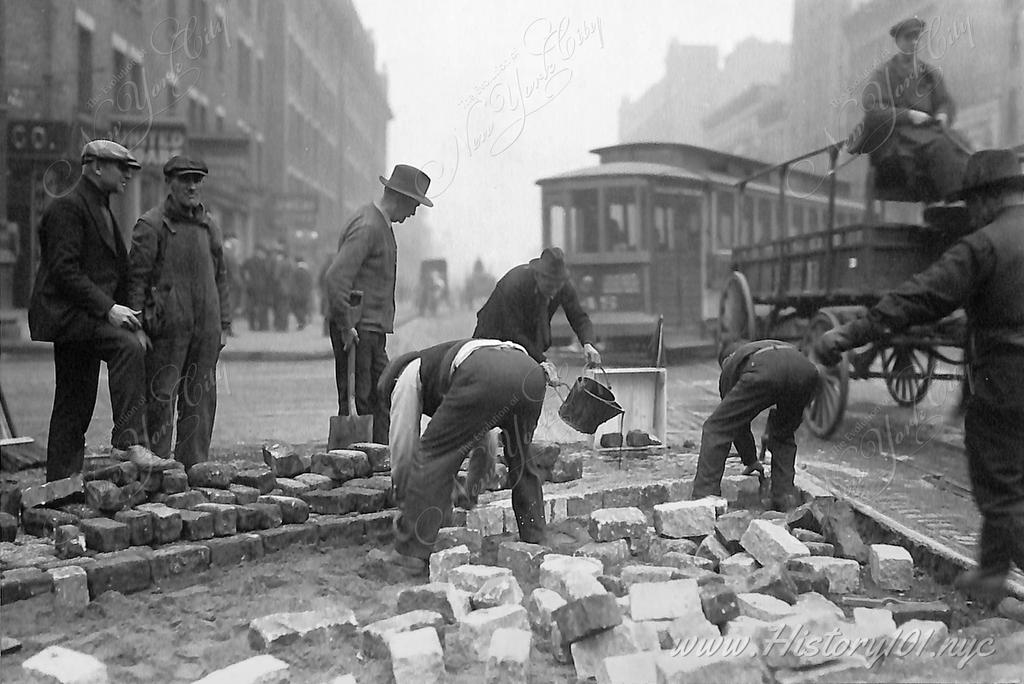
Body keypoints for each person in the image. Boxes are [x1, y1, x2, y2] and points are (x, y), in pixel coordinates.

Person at [815, 148, 1024, 602]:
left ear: (985, 200)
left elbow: (918, 298)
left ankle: (996, 573)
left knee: (1002, 483)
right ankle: (990, 572)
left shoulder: (984, 245)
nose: (969, 214)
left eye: (970, 205)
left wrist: (850, 333)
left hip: (1006, 382)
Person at [28, 140, 149, 481]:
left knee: (74, 402)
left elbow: (119, 273)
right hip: (69, 317)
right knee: (124, 349)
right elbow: (64, 271)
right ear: (96, 166)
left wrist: (136, 319)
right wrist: (110, 309)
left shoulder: (101, 208)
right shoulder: (67, 208)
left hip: (85, 318)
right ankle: (127, 441)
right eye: (120, 167)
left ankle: (62, 484)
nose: (127, 174)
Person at [373, 338, 548, 573]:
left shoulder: (406, 377)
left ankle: (410, 553)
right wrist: (471, 490)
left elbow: (404, 449)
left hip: (485, 374)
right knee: (521, 459)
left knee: (432, 456)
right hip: (530, 373)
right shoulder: (456, 366)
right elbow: (485, 432)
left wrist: (407, 504)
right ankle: (534, 535)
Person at [127, 155, 230, 468]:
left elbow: (221, 277)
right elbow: (136, 281)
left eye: (197, 180)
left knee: (199, 404)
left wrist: (224, 323)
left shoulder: (208, 226)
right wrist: (137, 326)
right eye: (185, 180)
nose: (192, 186)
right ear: (169, 183)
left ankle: (194, 470)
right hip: (166, 332)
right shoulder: (151, 225)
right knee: (160, 401)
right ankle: (158, 472)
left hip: (206, 332)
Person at [325, 164, 433, 444]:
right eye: (413, 205)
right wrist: (346, 326)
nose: (413, 213)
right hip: (358, 333)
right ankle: (355, 467)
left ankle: (380, 461)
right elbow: (336, 278)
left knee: (382, 394)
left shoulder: (380, 224)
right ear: (400, 197)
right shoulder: (368, 226)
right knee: (360, 404)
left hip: (372, 331)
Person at [691, 339, 820, 511]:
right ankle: (785, 499)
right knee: (783, 434)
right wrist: (751, 459)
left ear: (726, 360)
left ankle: (703, 501)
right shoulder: (764, 346)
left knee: (716, 428)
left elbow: (736, 426)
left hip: (765, 370)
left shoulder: (732, 365)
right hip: (806, 371)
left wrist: (750, 459)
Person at [855, 16, 969, 202]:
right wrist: (908, 115)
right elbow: (873, 111)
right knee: (940, 148)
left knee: (963, 143)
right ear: (898, 41)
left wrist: (942, 114)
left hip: (929, 131)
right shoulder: (883, 74)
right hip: (897, 138)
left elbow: (946, 101)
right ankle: (953, 202)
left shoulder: (929, 73)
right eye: (908, 37)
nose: (914, 42)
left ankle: (970, 201)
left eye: (917, 37)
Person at [473, 247, 601, 386]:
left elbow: (579, 317)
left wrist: (588, 343)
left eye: (557, 286)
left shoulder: (561, 286)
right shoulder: (514, 284)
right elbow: (513, 332)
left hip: (526, 337)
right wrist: (542, 360)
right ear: (538, 276)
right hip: (492, 337)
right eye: (549, 286)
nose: (553, 292)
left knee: (533, 383)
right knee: (495, 385)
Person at [242, 244, 271, 331]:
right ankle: (262, 326)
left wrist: (247, 280)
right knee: (261, 307)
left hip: (251, 287)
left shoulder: (248, 261)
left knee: (251, 306)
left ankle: (252, 326)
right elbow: (268, 275)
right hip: (261, 287)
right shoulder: (264, 262)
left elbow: (243, 271)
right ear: (259, 251)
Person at [290, 255, 314, 330]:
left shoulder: (296, 271)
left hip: (298, 293)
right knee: (304, 308)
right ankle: (303, 322)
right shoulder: (307, 271)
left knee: (298, 309)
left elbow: (293, 283)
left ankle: (301, 323)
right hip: (306, 293)